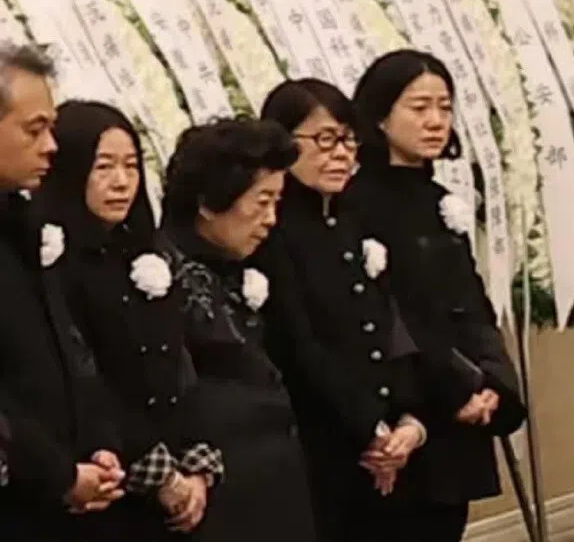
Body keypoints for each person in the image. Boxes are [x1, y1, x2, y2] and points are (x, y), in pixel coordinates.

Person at [258, 77, 515, 542]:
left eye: (347, 140)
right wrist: (370, 431)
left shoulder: (345, 224)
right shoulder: (274, 235)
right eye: (325, 139)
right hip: (327, 449)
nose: (340, 153)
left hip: (392, 440)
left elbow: (388, 331)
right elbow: (301, 348)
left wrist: (410, 419)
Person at [348, 49, 526, 528]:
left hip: (461, 414)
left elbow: (472, 308)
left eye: (445, 107)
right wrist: (457, 389)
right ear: (380, 115)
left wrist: (494, 385)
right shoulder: (355, 206)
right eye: (419, 106)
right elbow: (390, 316)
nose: (435, 121)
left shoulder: (442, 204)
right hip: (403, 413)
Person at [35, 100, 224, 540]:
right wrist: (160, 475)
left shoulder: (146, 254)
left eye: (131, 165)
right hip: (107, 486)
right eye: (103, 167)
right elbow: (87, 380)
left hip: (178, 484)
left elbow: (179, 365)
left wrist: (198, 465)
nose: (121, 182)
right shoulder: (54, 266)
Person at [159, 117, 317, 542]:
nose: (270, 219)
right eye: (262, 202)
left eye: (277, 203)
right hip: (216, 500)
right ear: (209, 202)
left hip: (273, 490)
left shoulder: (234, 268)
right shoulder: (161, 278)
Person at [0, 43, 125, 541]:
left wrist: (98, 444)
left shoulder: (22, 220)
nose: (51, 145)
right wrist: (58, 474)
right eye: (34, 130)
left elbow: (68, 350)